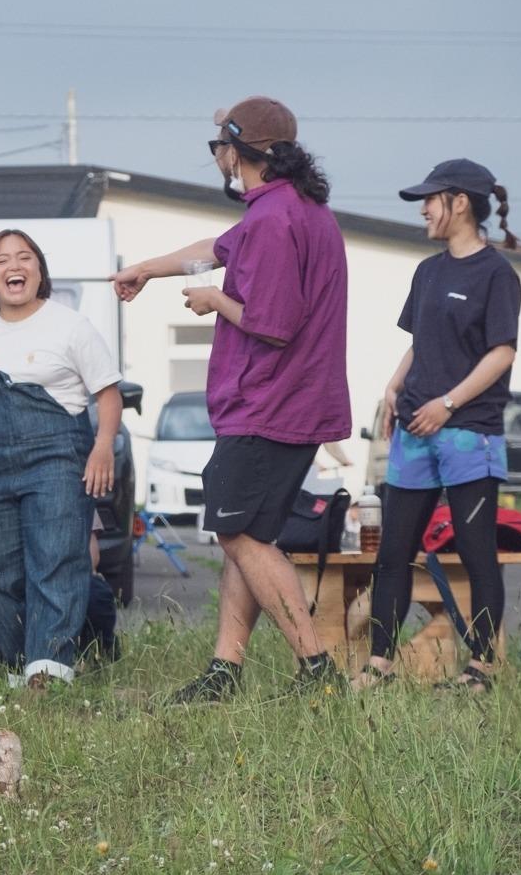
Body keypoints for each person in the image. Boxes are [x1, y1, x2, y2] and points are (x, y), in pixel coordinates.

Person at [111, 97, 351, 702]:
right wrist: (145, 268)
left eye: (219, 143)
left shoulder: (273, 222)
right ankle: (225, 670)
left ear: (243, 153)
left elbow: (272, 324)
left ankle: (319, 672)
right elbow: (211, 249)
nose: (216, 154)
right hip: (289, 403)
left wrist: (213, 301)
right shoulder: (291, 211)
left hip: (270, 403)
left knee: (239, 533)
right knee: (245, 532)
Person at [354, 160, 521, 693]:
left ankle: (482, 669)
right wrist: (392, 386)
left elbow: (501, 353)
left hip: (468, 431)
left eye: (431, 200)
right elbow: (419, 341)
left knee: (475, 555)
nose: (423, 209)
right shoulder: (427, 272)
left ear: (461, 203)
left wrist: (447, 404)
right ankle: (379, 665)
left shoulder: (498, 275)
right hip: (414, 431)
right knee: (393, 552)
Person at [0, 229, 123, 687]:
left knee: (55, 561)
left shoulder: (71, 326)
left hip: (59, 456)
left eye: (24, 258)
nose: (13, 266)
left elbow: (108, 394)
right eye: (1, 260)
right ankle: (18, 669)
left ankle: (51, 673)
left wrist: (102, 448)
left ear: (39, 271)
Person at [0, 460, 119, 676]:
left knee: (94, 593)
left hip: (52, 570)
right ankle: (7, 662)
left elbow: (90, 555)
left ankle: (93, 657)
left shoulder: (58, 459)